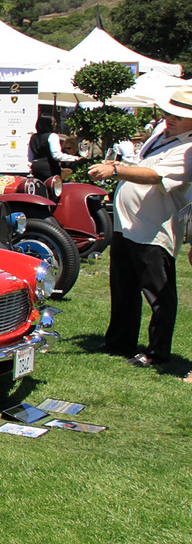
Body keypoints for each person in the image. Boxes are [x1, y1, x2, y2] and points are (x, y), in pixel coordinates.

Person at [88, 88, 192, 371]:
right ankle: (119, 341)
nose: (170, 119)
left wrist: (117, 170)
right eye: (169, 113)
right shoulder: (162, 134)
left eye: (179, 116)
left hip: (154, 229)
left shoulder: (189, 150)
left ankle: (157, 352)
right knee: (123, 288)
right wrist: (118, 166)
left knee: (159, 294)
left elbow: (154, 175)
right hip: (128, 224)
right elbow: (144, 164)